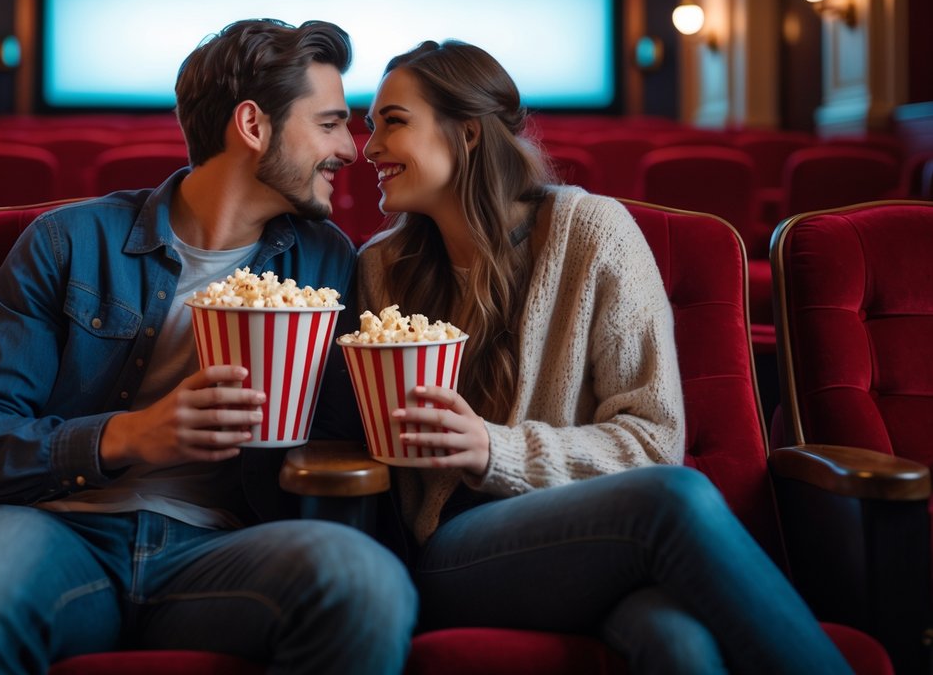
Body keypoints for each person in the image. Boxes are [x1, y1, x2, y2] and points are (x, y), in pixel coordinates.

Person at [0, 19, 417, 675]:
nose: (350, 149)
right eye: (329, 123)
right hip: (56, 533)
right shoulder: (67, 242)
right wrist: (127, 437)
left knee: (363, 583)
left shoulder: (326, 260)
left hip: (224, 552)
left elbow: (338, 436)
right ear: (253, 126)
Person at [356, 39, 852, 674]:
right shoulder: (382, 268)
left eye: (391, 123)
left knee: (678, 642)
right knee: (672, 499)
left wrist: (493, 449)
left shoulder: (592, 232)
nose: (368, 147)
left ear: (468, 134)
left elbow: (652, 441)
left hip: (594, 543)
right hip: (457, 551)